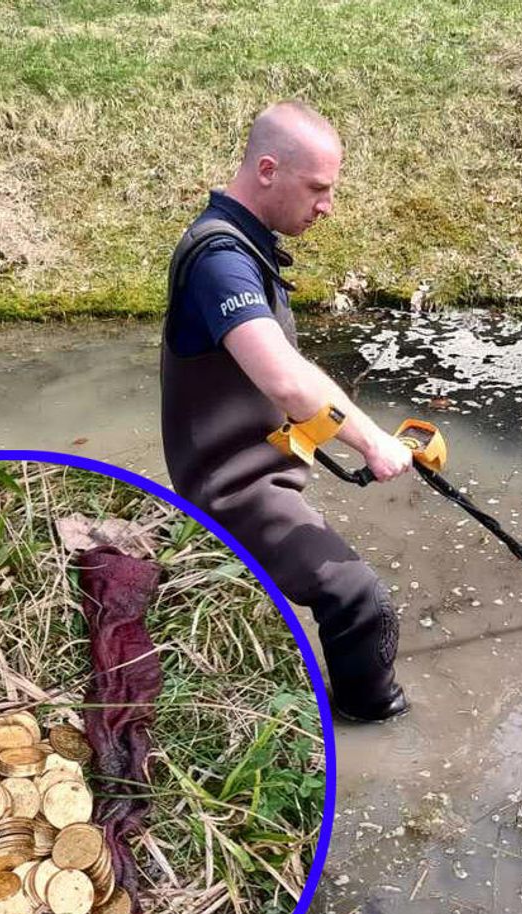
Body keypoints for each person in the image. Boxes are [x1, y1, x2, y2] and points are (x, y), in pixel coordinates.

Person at [159, 100, 413, 722]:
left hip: (259, 467)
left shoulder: (245, 243)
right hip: (230, 486)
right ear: (268, 169)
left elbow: (296, 377)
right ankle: (374, 729)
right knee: (360, 600)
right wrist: (375, 443)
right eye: (318, 188)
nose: (327, 205)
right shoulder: (220, 260)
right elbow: (284, 379)